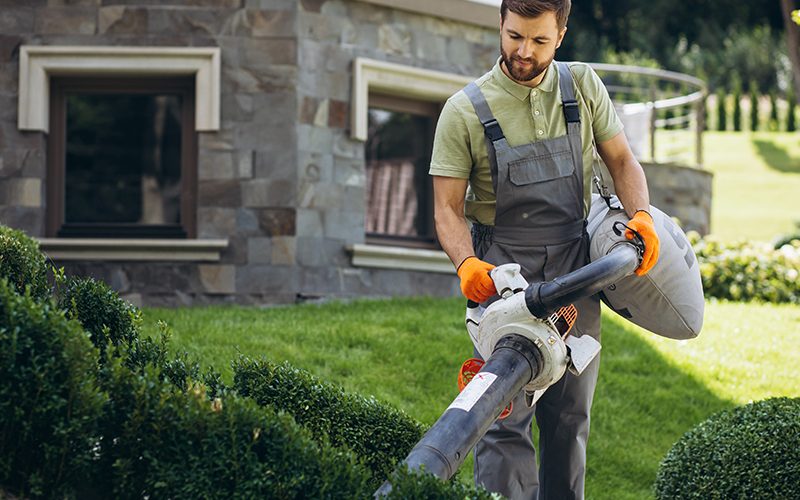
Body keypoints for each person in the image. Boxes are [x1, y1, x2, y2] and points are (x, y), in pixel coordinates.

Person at [428, 1, 660, 499]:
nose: (523, 52)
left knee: (569, 418)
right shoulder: (465, 110)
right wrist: (466, 263)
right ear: (501, 24)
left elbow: (621, 159)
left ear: (561, 35)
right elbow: (446, 209)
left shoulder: (582, 86)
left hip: (577, 272)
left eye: (538, 41)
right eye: (514, 36)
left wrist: (642, 215)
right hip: (504, 277)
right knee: (501, 417)